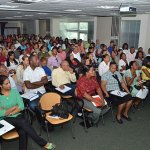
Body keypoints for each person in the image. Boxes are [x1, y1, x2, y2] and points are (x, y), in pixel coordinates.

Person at [0, 75, 55, 150]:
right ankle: (43, 143)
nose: (9, 85)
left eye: (9, 82)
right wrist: (13, 108)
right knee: (23, 122)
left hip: (17, 117)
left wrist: (9, 112)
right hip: (5, 120)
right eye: (6, 84)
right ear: (0, 85)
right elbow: (1, 114)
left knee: (23, 131)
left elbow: (21, 106)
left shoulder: (14, 92)